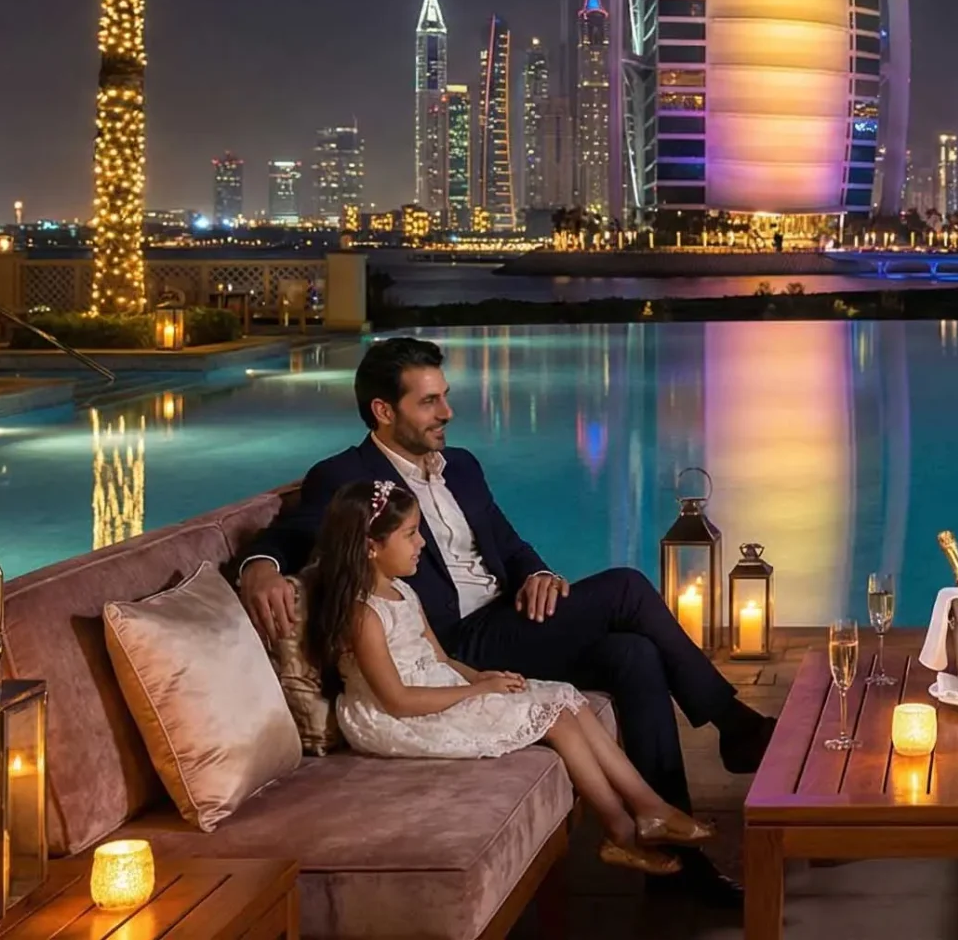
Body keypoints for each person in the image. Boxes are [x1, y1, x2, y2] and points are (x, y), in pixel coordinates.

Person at [238, 337, 771, 905]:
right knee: (627, 587)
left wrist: (538, 573)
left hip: (508, 619)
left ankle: (676, 867)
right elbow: (292, 533)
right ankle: (733, 725)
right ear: (383, 411)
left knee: (633, 655)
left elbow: (510, 545)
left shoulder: (463, 467)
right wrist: (259, 566)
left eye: (445, 396)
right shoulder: (346, 476)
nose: (447, 412)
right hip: (453, 645)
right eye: (429, 402)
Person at [305, 480, 717, 876]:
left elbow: (439, 657)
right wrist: (478, 691)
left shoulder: (404, 592)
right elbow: (396, 700)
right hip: (397, 717)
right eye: (411, 534)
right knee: (556, 719)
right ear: (371, 547)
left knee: (567, 698)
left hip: (436, 690)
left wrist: (481, 676)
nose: (422, 544)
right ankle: (619, 831)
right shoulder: (365, 615)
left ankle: (648, 807)